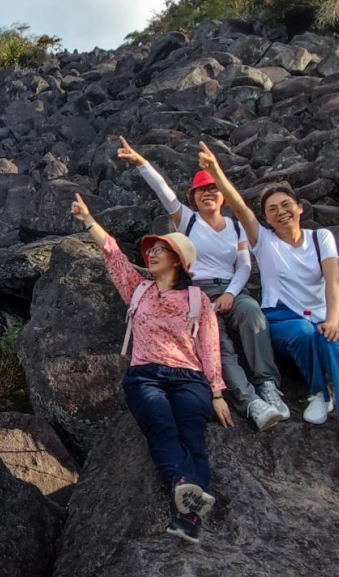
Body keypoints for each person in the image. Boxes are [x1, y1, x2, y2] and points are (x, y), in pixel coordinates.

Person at [196, 142, 339, 468]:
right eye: (272, 209)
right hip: (282, 318)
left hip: (320, 317)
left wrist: (334, 320)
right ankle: (319, 391)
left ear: (299, 207)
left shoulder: (321, 238)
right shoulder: (264, 241)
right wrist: (215, 172)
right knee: (301, 331)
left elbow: (334, 281)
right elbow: (239, 207)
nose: (280, 211)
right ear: (267, 218)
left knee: (332, 341)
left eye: (286, 205)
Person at [72, 193, 232, 545]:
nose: (152, 254)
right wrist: (88, 220)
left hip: (190, 377)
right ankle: (184, 486)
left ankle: (188, 517)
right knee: (160, 425)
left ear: (178, 260)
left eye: (161, 250)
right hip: (146, 375)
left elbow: (210, 346)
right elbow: (113, 254)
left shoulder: (198, 299)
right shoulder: (138, 289)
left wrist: (217, 392)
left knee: (192, 437)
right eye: (151, 250)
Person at [117, 136, 288, 432]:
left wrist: (230, 293)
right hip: (197, 292)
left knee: (253, 315)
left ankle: (268, 384)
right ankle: (250, 402)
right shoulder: (189, 221)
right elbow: (164, 192)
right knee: (218, 343)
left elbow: (245, 265)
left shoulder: (236, 227)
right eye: (200, 190)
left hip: (231, 288)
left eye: (213, 188)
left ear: (223, 196)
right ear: (193, 197)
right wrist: (141, 163)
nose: (207, 193)